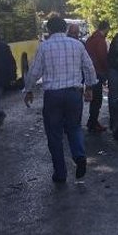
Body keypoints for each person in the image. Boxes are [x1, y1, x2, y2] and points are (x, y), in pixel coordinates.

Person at [24, 16, 97, 183]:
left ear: (49, 30)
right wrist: (90, 88)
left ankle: (60, 173)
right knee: (74, 127)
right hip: (73, 93)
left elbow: (34, 71)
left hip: (53, 96)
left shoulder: (44, 47)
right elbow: (89, 67)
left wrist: (28, 90)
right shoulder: (78, 45)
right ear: (65, 29)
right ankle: (79, 156)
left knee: (54, 133)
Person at [85, 20, 110, 132]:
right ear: (106, 28)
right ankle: (93, 122)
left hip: (90, 71)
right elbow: (102, 57)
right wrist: (106, 71)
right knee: (97, 99)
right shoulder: (100, 40)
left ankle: (92, 121)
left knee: (94, 98)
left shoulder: (91, 39)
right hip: (98, 72)